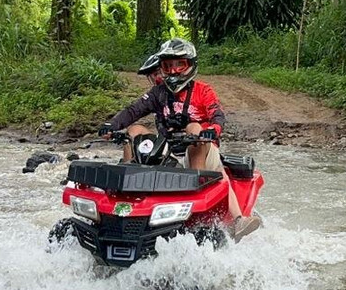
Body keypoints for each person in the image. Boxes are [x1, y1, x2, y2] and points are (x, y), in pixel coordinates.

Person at [102, 38, 261, 240]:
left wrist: (211, 129)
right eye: (168, 66)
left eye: (180, 65)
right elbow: (134, 110)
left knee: (193, 127)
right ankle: (124, 200)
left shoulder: (203, 90)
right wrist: (112, 126)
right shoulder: (157, 93)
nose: (174, 71)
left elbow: (218, 115)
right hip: (169, 154)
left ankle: (238, 219)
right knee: (135, 131)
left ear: (190, 66)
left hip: (202, 152)